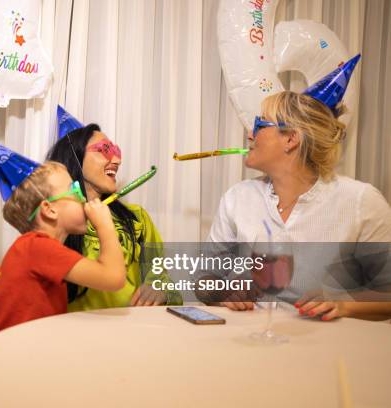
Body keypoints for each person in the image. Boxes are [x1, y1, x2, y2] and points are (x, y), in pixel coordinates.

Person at [207, 55, 391, 320]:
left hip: (328, 353)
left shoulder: (361, 202)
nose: (249, 134)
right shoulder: (237, 198)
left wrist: (344, 304)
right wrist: (223, 292)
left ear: (291, 139)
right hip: (248, 344)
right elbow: (204, 277)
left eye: (260, 125)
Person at [0, 133, 126, 344]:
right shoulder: (37, 247)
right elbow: (114, 278)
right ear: (49, 209)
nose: (83, 198)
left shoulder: (34, 249)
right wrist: (105, 225)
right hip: (2, 366)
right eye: (74, 190)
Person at [48, 111, 182, 310]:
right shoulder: (54, 219)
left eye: (116, 151)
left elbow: (166, 283)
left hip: (132, 334)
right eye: (104, 149)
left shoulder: (137, 219)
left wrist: (160, 289)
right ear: (75, 158)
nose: (117, 160)